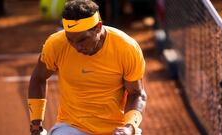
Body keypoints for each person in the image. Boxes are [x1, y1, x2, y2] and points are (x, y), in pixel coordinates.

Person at [27, 0, 147, 135]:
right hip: (72, 126)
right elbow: (38, 78)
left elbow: (136, 94)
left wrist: (129, 127)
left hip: (118, 129)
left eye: (82, 39)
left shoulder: (126, 48)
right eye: (70, 39)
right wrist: (36, 126)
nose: (76, 47)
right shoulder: (56, 44)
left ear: (98, 27)